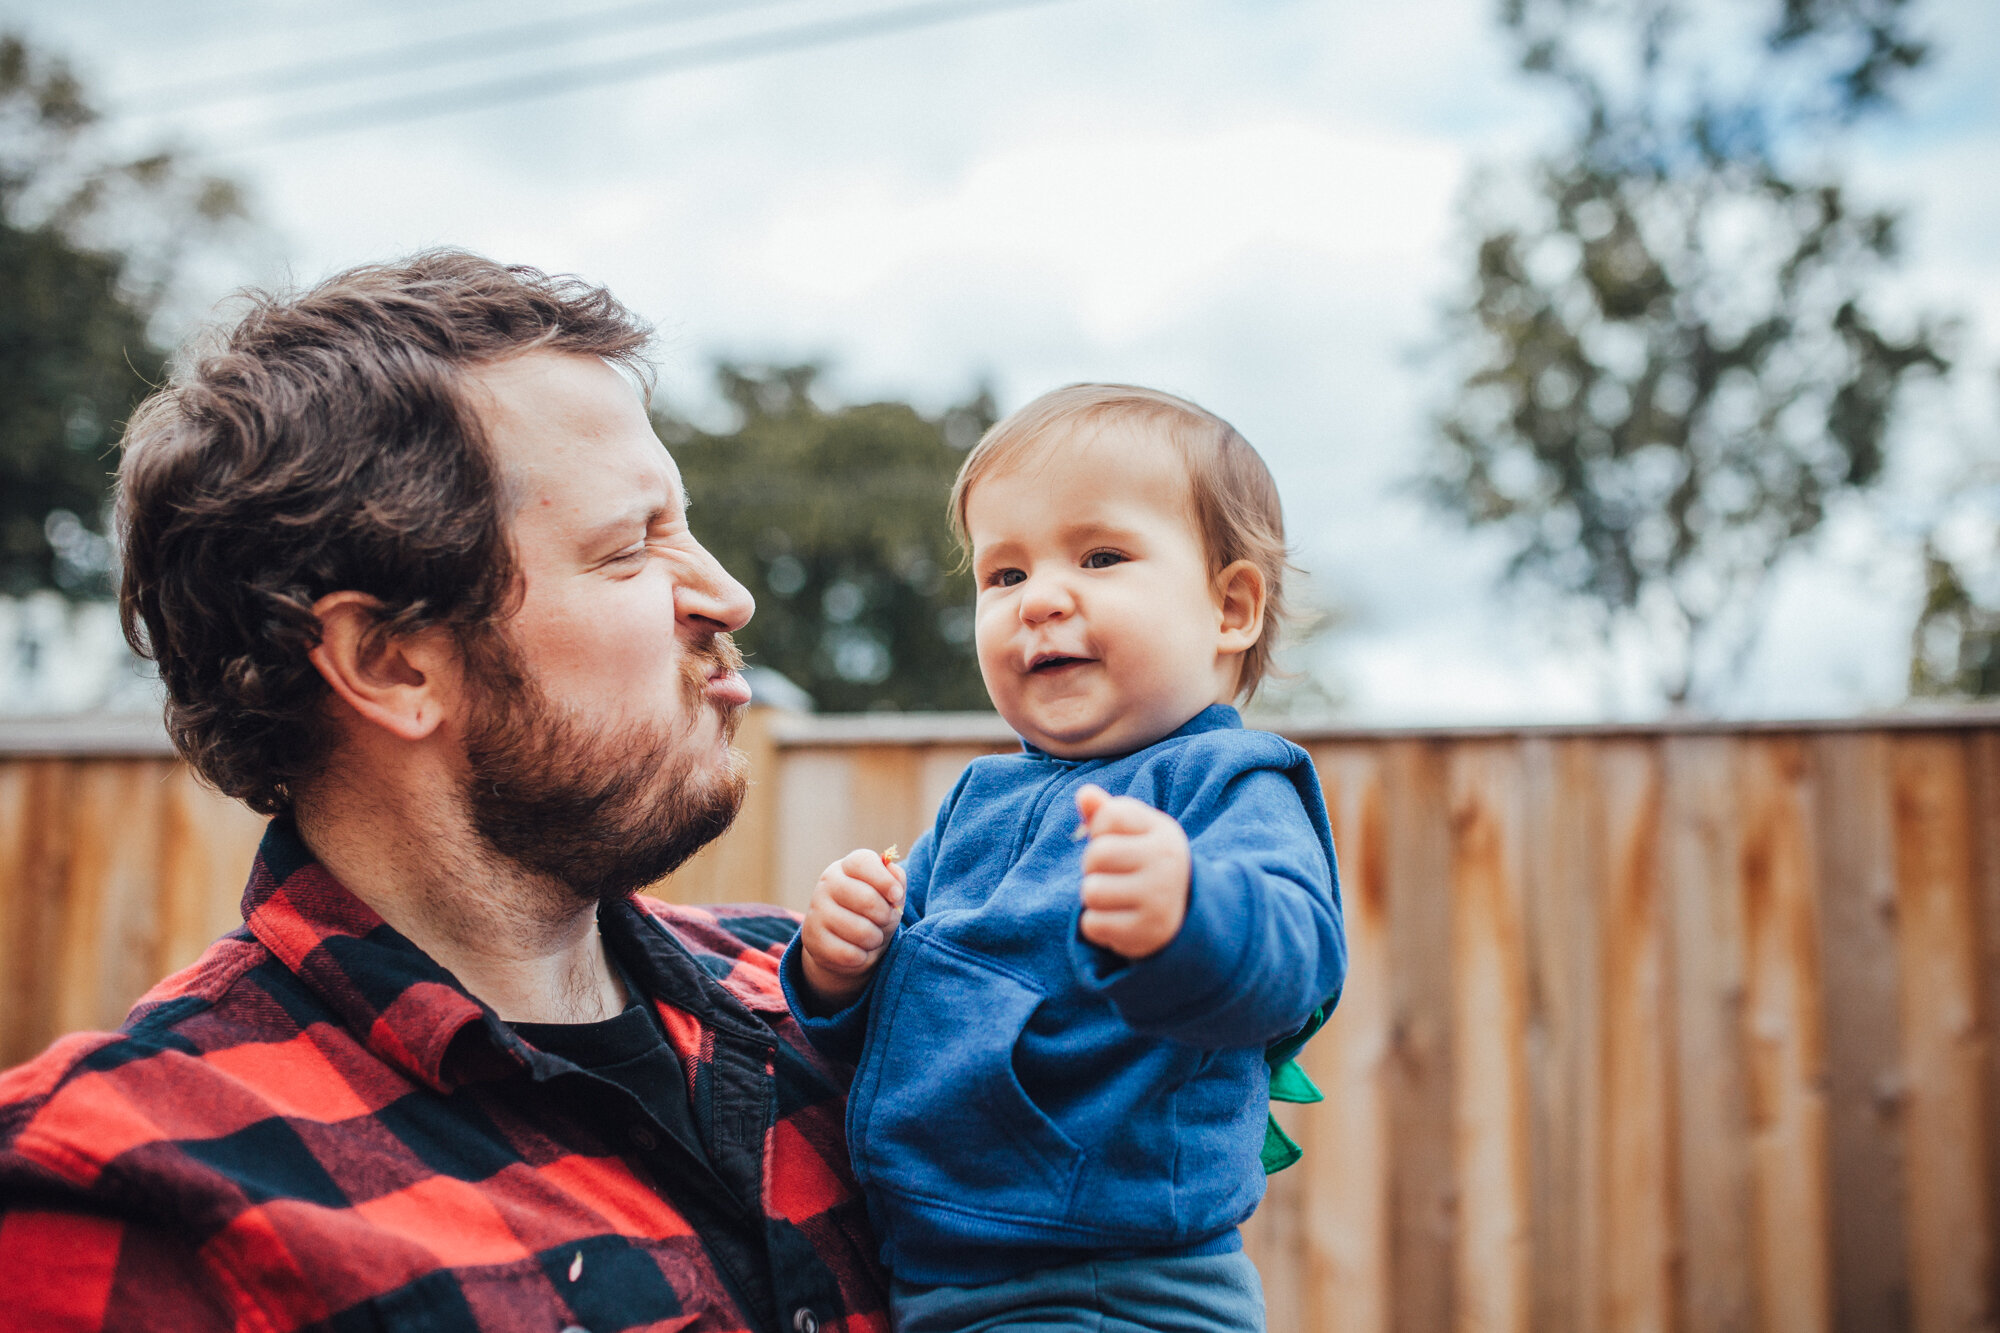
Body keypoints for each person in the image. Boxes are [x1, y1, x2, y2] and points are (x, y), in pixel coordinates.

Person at [0, 252, 888, 1333]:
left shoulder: (830, 1003)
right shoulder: (139, 1191)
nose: (726, 594)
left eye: (685, 526)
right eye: (628, 548)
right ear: (389, 664)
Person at [782, 384, 1347, 1332]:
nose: (1040, 598)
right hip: (937, 1273)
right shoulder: (975, 801)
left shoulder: (1225, 778)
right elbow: (906, 1028)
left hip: (1112, 1286)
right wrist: (838, 967)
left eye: (1100, 556)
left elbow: (1294, 964)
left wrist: (1187, 911)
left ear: (1231, 607)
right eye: (1003, 576)